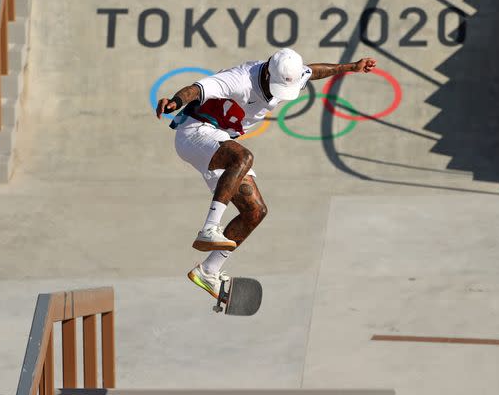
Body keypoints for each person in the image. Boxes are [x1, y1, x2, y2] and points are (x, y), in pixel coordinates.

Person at [156, 48, 377, 300]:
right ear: (267, 72)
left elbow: (313, 71)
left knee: (255, 211)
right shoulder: (239, 79)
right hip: (195, 132)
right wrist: (175, 101)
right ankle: (209, 228)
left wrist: (350, 67)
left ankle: (208, 271)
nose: (276, 95)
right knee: (243, 157)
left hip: (219, 140)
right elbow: (196, 89)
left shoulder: (289, 73)